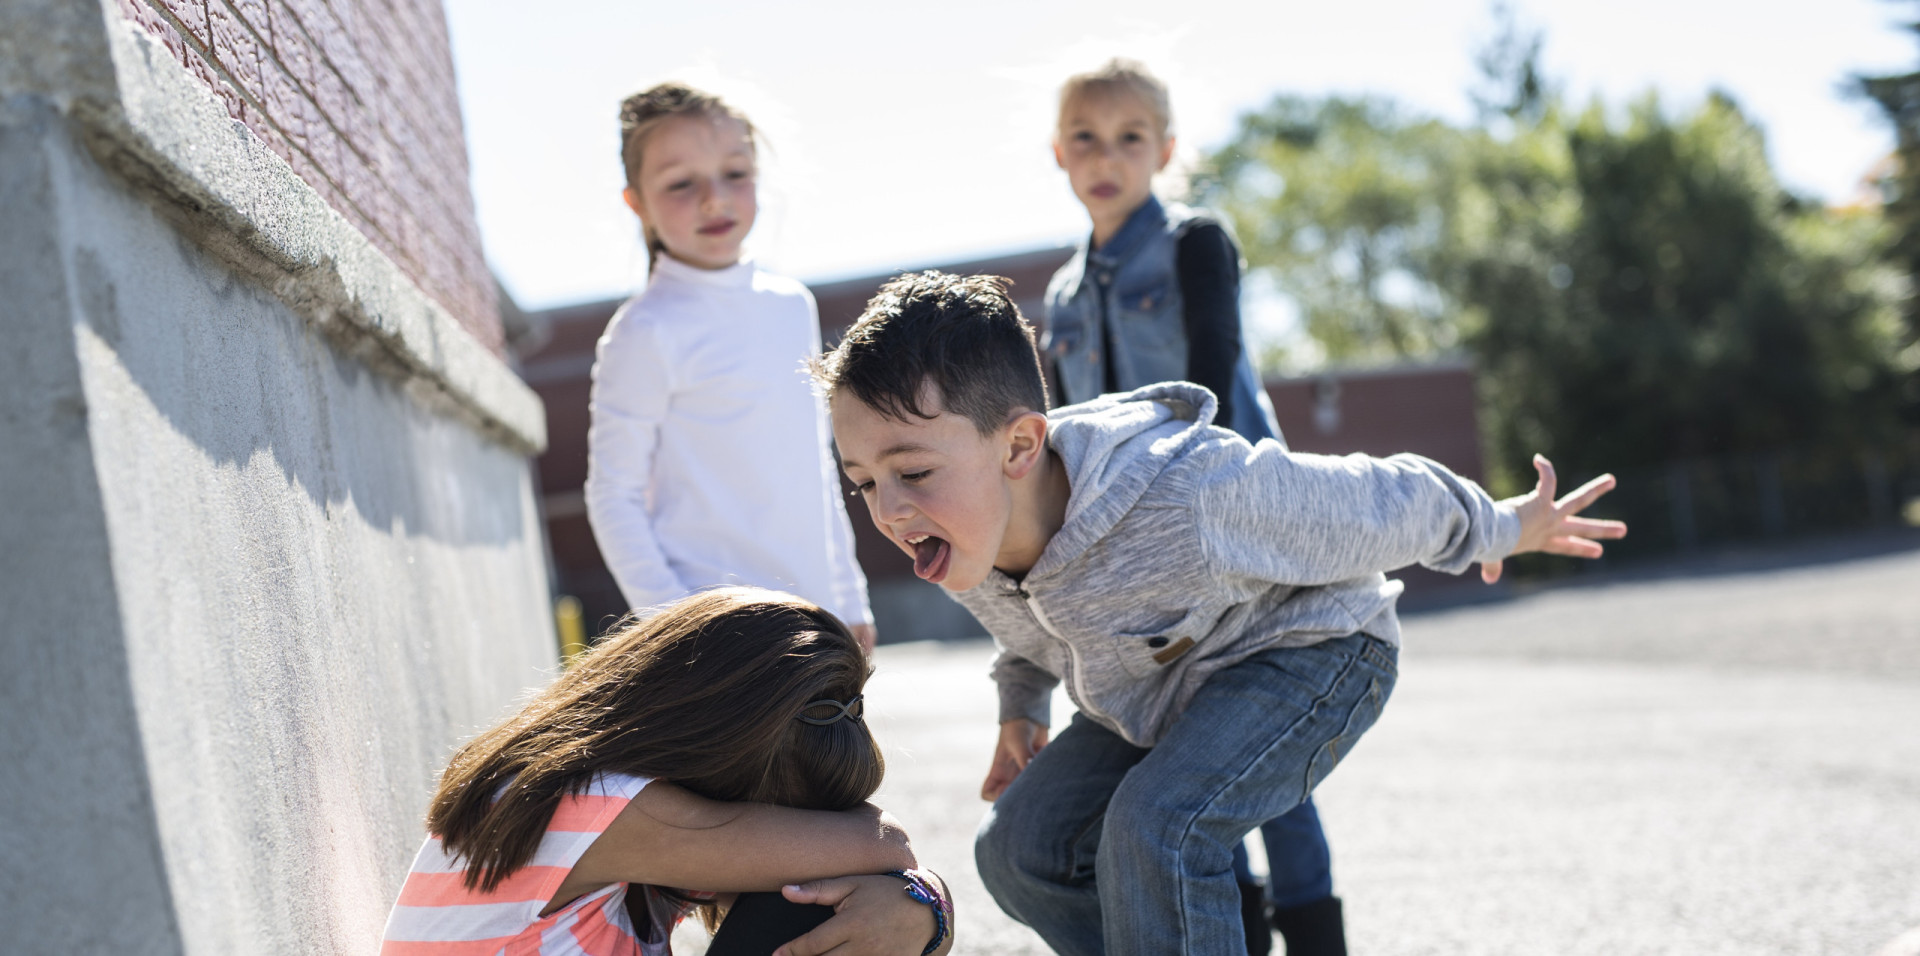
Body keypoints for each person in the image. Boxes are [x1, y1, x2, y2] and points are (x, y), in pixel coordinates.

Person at [815, 271, 1626, 956]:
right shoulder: (964, 532)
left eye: (911, 471)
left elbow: (1383, 499)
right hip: (1161, 687)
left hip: (1313, 653)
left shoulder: (1190, 494)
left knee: (1156, 827)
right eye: (863, 482)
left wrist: (1506, 526)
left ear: (1020, 448)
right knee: (1020, 853)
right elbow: (1032, 628)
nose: (888, 510)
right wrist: (1019, 709)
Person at [1040, 58, 1321, 953]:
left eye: (1129, 137)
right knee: (1188, 750)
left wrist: (1225, 518)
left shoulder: (1197, 243)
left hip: (1233, 523)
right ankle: (1233, 929)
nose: (1106, 155)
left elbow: (1218, 376)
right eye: (1086, 136)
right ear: (1058, 153)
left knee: (1266, 745)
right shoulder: (1059, 294)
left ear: (1163, 149)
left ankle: (1318, 932)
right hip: (1127, 553)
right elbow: (1063, 435)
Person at [378, 587, 954, 956]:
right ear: (721, 752)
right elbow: (889, 844)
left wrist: (924, 910)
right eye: (780, 815)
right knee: (809, 902)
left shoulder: (597, 796)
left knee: (833, 899)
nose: (786, 835)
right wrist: (926, 903)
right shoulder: (598, 805)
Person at [585, 82, 876, 653]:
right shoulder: (645, 330)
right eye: (680, 183)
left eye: (734, 173)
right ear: (636, 202)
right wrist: (677, 625)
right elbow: (612, 494)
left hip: (817, 622)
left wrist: (849, 598)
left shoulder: (792, 304)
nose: (714, 199)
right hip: (717, 641)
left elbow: (816, 467)